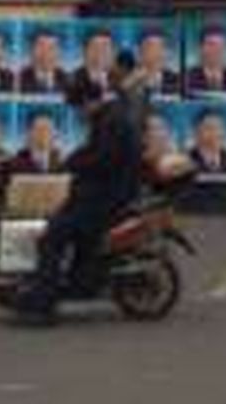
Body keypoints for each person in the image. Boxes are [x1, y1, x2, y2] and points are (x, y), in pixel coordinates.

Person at [32, 55, 145, 311]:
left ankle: (43, 301)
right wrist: (70, 162)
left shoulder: (111, 121)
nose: (77, 114)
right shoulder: (107, 118)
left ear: (87, 103)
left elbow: (102, 160)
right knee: (64, 226)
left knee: (51, 238)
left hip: (106, 197)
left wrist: (75, 165)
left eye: (77, 108)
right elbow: (93, 152)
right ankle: (76, 281)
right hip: (102, 193)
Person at [186, 26, 226, 94]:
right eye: (211, 45)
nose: (217, 50)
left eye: (221, 45)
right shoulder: (187, 79)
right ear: (201, 48)